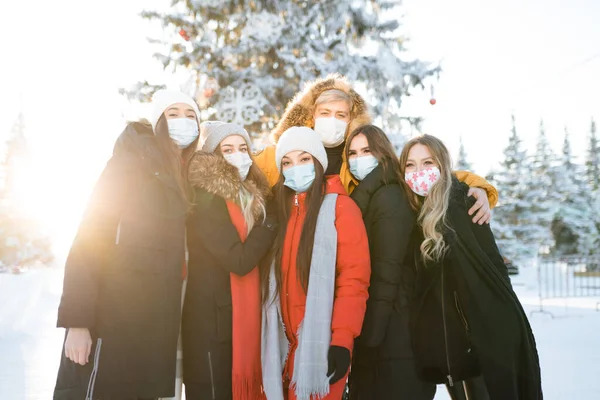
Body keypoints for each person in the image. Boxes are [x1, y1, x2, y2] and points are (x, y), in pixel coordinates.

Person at [54, 90, 202, 400]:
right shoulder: (130, 163)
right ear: (157, 120)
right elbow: (89, 238)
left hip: (153, 331)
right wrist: (78, 323)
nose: (183, 121)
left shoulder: (186, 175)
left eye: (191, 115)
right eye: (173, 113)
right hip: (112, 323)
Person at [399, 134, 542, 400]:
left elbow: (491, 266)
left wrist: (481, 190)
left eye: (427, 162)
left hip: (482, 339)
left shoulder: (463, 203)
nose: (419, 172)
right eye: (410, 165)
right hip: (448, 344)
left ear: (442, 166)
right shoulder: (414, 209)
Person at [254, 73, 497, 224]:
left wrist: (476, 185)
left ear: (351, 119)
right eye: (325, 113)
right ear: (311, 116)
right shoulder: (278, 154)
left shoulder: (360, 158)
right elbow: (238, 173)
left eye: (341, 114)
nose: (332, 120)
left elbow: (412, 174)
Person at [261, 127, 371, 400]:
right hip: (280, 346)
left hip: (321, 346)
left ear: (319, 163)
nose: (295, 167)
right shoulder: (279, 212)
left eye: (304, 159)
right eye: (287, 162)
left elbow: (353, 280)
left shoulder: (342, 208)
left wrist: (342, 341)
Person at [182, 121, 278, 400]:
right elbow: (238, 259)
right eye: (228, 149)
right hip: (209, 326)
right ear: (214, 155)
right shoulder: (206, 198)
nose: (238, 154)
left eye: (243, 147)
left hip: (231, 319)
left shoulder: (250, 195)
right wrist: (270, 226)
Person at [344, 125, 435, 400]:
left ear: (382, 153)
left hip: (394, 340)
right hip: (388, 335)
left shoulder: (390, 196)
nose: (359, 159)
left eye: (367, 151)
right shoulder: (371, 194)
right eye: (353, 153)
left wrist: (368, 341)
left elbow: (386, 274)